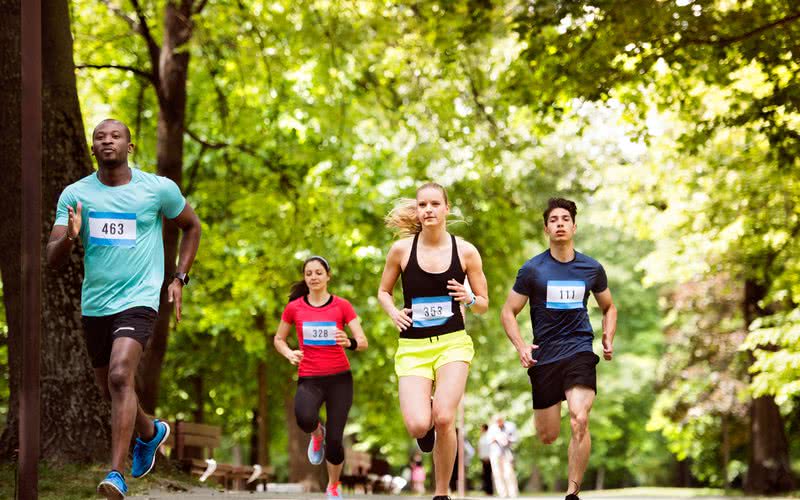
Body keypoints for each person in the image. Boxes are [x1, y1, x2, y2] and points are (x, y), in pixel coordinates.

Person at [46, 119, 201, 499]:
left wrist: (179, 278)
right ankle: (150, 432)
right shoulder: (76, 195)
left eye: (115, 136)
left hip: (140, 298)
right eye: (100, 137)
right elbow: (52, 259)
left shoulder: (157, 189)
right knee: (110, 386)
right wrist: (70, 234)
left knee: (119, 375)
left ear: (130, 146)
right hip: (96, 303)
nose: (107, 141)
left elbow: (192, 226)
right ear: (93, 149)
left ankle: (115, 474)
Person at [500, 197, 617, 500]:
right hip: (545, 355)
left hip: (579, 349)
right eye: (554, 220)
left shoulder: (591, 268)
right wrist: (521, 346)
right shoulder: (532, 270)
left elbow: (609, 307)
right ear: (546, 228)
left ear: (574, 226)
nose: (560, 224)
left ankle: (572, 492)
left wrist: (607, 336)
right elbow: (507, 312)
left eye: (565, 219)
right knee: (548, 436)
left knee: (579, 418)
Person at [378, 182, 489, 500]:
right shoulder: (401, 251)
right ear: (418, 209)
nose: (428, 210)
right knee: (417, 426)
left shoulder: (465, 251)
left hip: (452, 343)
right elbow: (383, 291)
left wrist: (468, 297)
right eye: (423, 205)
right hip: (413, 348)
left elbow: (483, 302)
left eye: (434, 204)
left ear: (446, 208)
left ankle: (441, 492)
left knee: (444, 417)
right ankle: (424, 409)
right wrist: (393, 312)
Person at [274, 256, 368, 500]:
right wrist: (288, 353)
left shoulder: (342, 306)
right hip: (310, 377)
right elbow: (279, 339)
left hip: (340, 379)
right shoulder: (295, 307)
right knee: (304, 418)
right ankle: (317, 434)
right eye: (308, 273)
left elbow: (363, 342)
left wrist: (350, 342)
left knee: (336, 441)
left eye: (318, 272)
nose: (313, 277)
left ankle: (333, 486)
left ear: (328, 276)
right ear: (305, 278)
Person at [487, 415, 518, 497]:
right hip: (495, 453)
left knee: (509, 473)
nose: (498, 423)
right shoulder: (492, 428)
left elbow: (515, 438)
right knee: (497, 474)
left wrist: (507, 439)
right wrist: (495, 438)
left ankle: (513, 494)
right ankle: (502, 494)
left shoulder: (510, 426)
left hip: (507, 453)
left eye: (499, 421)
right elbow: (488, 440)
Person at [478, 423, 494, 495]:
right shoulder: (483, 436)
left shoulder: (488, 436)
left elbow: (489, 448)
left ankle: (489, 491)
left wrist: (487, 457)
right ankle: (487, 490)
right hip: (483, 458)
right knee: (485, 475)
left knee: (488, 475)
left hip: (488, 458)